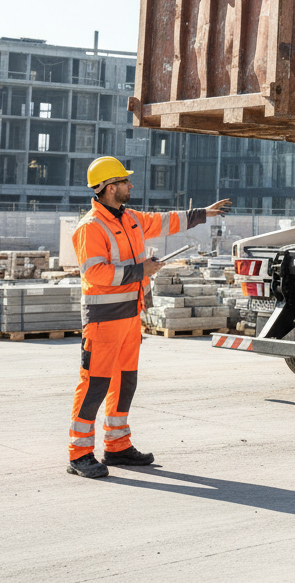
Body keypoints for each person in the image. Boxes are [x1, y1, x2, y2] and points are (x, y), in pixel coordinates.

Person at [66, 156, 232, 479]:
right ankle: (79, 453)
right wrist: (142, 270)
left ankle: (116, 446)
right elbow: (97, 274)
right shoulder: (90, 227)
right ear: (111, 187)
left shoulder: (129, 219)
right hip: (103, 321)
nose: (131, 185)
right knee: (95, 384)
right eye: (125, 182)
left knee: (126, 382)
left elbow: (164, 220)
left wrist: (204, 213)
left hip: (130, 318)